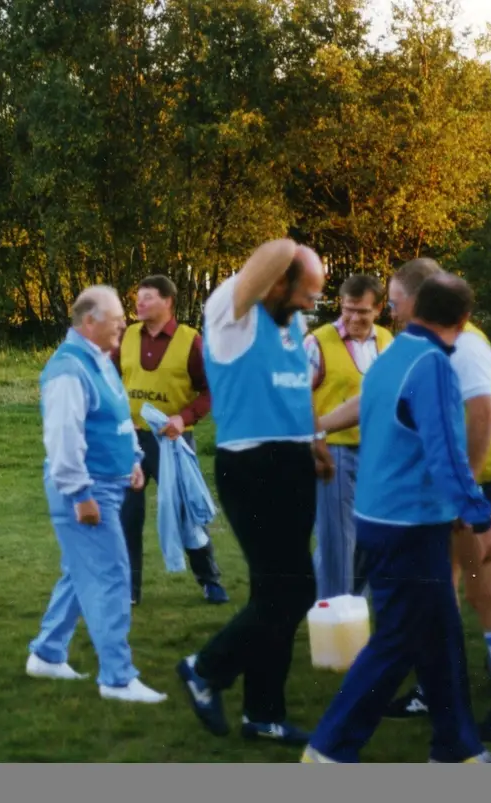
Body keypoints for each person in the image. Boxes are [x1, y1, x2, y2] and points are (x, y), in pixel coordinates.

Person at [320, 258, 491, 744]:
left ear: (418, 301)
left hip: (471, 486)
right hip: (447, 494)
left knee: (483, 594)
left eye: (395, 303)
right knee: (438, 598)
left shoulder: (466, 346)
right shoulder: (418, 345)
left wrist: (471, 502)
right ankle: (440, 712)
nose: (391, 313)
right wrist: (320, 425)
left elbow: (480, 417)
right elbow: (375, 398)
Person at [175, 239, 334, 745]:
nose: (312, 304)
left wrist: (315, 441)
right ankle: (205, 668)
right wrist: (294, 248)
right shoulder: (232, 312)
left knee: (277, 594)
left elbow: (297, 388)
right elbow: (273, 253)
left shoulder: (293, 323)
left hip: (292, 460)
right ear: (279, 280)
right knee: (292, 590)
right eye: (307, 291)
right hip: (252, 464)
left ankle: (264, 714)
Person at [26, 285, 167, 704]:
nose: (125, 322)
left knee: (80, 573)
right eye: (117, 317)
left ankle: (47, 655)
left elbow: (117, 418)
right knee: (111, 578)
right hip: (85, 490)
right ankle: (118, 679)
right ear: (89, 321)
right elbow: (63, 440)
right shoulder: (69, 370)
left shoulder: (99, 360)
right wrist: (80, 494)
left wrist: (135, 461)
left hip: (109, 482)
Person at [114, 275, 228, 606]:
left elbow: (211, 391)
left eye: (147, 297)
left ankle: (210, 581)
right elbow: (108, 380)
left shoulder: (190, 340)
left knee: (184, 513)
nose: (139, 303)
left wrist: (184, 418)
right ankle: (129, 591)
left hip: (172, 441)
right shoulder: (126, 336)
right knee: (127, 515)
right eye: (138, 296)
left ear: (168, 302)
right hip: (131, 439)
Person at [303, 274, 392, 600]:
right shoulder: (316, 343)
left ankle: (338, 604)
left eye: (363, 312)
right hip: (333, 453)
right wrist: (314, 442)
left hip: (377, 454)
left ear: (379, 309)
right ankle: (335, 618)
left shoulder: (387, 341)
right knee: (339, 541)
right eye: (347, 310)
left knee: (372, 536)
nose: (354, 318)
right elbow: (297, 398)